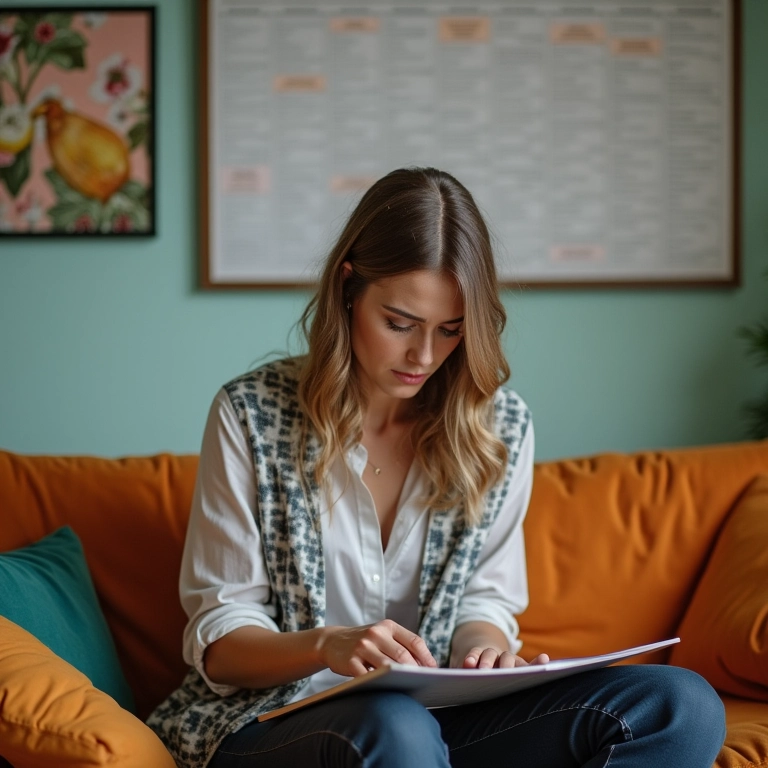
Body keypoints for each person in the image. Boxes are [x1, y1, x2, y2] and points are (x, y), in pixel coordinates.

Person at [148, 167, 726, 768]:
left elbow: (485, 603)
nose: (423, 356)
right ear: (348, 288)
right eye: (399, 323)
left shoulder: (497, 426)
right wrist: (328, 645)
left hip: (434, 725)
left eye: (450, 330)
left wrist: (485, 652)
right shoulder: (251, 413)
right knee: (392, 728)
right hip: (275, 720)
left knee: (681, 706)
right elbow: (221, 644)